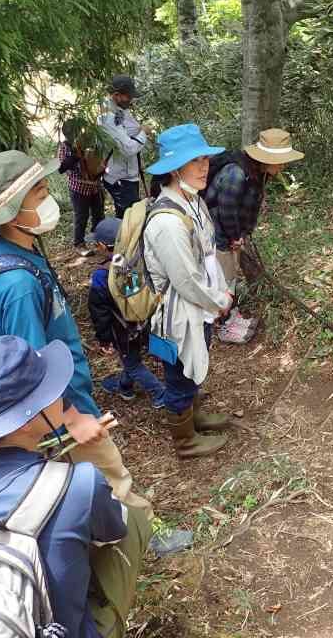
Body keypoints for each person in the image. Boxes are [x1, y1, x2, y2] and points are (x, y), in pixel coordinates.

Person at [0, 335, 150, 638]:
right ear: (25, 421)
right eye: (49, 390)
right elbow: (115, 531)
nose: (61, 394)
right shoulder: (77, 484)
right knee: (133, 518)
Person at [0, 150, 151, 514]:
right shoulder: (16, 284)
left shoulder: (16, 254)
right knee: (110, 479)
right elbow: (30, 364)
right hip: (57, 413)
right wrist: (71, 417)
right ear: (13, 211)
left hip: (60, 403)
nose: (48, 196)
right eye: (38, 192)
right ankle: (140, 536)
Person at [143, 123, 234, 458]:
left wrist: (220, 293)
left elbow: (208, 254)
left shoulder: (193, 203)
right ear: (173, 168)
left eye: (204, 159)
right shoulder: (167, 222)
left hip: (200, 306)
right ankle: (185, 441)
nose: (203, 167)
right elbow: (186, 280)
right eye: (193, 161)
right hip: (178, 312)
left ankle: (195, 416)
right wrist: (219, 300)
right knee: (180, 373)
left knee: (195, 361)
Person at [204, 128, 304, 343]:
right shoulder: (236, 173)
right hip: (216, 234)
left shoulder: (257, 172)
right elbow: (226, 208)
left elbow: (245, 206)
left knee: (229, 277)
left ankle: (231, 316)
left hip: (229, 234)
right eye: (280, 160)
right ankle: (224, 325)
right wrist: (234, 236)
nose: (283, 165)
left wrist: (241, 234)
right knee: (222, 279)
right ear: (266, 159)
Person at [87, 217, 166, 406]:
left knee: (132, 363)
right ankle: (124, 386)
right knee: (131, 358)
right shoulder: (132, 263)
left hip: (121, 330)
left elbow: (100, 313)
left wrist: (104, 338)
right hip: (141, 321)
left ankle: (160, 394)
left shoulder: (100, 276)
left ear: (101, 246)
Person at [98, 74, 150, 218]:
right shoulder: (109, 117)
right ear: (116, 95)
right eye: (128, 96)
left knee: (128, 217)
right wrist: (143, 133)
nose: (131, 100)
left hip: (126, 177)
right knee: (130, 220)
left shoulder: (120, 110)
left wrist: (141, 131)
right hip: (120, 179)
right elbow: (128, 148)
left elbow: (133, 128)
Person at [58, 117, 106, 257]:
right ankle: (79, 244)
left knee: (98, 215)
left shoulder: (90, 143)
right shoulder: (65, 147)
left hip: (94, 187)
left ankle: (99, 240)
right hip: (78, 188)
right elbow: (61, 168)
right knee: (81, 217)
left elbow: (98, 161)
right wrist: (75, 155)